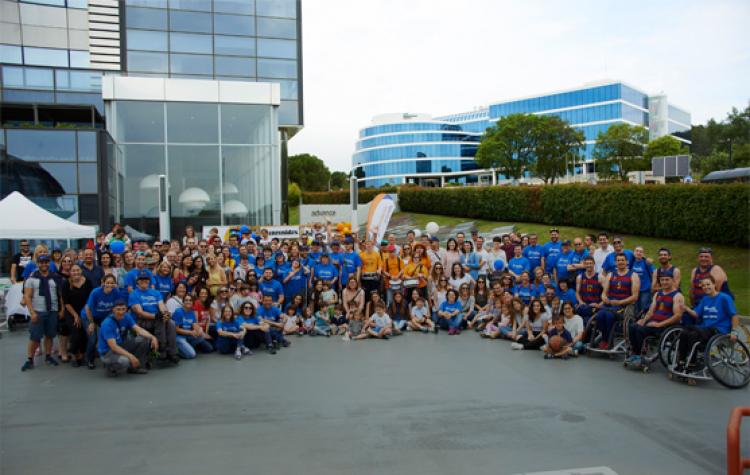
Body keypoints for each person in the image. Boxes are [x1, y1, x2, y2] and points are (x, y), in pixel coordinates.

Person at [678, 275, 740, 372]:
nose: (706, 287)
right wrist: (686, 308)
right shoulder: (705, 299)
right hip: (705, 329)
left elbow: (734, 316)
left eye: (708, 284)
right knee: (684, 333)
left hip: (719, 330)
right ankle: (682, 361)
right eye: (703, 286)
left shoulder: (724, 298)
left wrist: (734, 332)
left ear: (714, 284)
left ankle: (692, 362)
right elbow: (696, 314)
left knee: (692, 332)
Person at [625, 270, 684, 364]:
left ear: (672, 280)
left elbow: (678, 316)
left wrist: (659, 324)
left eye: (667, 280)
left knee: (640, 330)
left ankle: (641, 354)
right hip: (652, 323)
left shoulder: (677, 296)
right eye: (662, 280)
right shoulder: (658, 294)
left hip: (665, 326)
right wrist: (643, 320)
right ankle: (635, 353)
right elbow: (651, 311)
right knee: (633, 326)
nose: (664, 282)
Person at [21, 254, 62, 372]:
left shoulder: (55, 277)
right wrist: (32, 312)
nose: (44, 264)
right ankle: (30, 359)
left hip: (52, 310)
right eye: (41, 262)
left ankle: (48, 356)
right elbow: (27, 297)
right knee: (34, 337)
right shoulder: (31, 278)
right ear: (38, 263)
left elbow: (60, 295)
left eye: (46, 262)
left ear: (49, 263)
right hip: (38, 311)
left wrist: (62, 309)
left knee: (50, 335)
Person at [98, 299, 159, 376]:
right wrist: (131, 356)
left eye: (123, 309)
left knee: (144, 339)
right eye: (118, 309)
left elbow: (138, 329)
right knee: (125, 361)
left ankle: (135, 367)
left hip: (121, 345)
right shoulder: (107, 324)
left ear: (126, 309)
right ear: (113, 310)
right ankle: (111, 368)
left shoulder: (126, 316)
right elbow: (113, 347)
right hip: (108, 352)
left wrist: (153, 337)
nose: (121, 312)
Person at [128, 271, 179, 363]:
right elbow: (140, 312)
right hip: (142, 321)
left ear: (149, 281)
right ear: (137, 281)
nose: (144, 281)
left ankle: (172, 352)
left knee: (171, 323)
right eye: (141, 279)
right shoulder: (134, 294)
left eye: (146, 279)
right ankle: (162, 351)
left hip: (156, 319)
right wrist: (156, 316)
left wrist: (165, 314)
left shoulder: (155, 292)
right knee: (160, 321)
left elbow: (161, 306)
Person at [593, 254, 640, 350]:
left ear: (627, 262)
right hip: (610, 304)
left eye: (622, 260)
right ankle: (605, 339)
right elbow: (604, 293)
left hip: (623, 306)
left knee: (609, 316)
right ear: (615, 262)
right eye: (618, 260)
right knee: (599, 315)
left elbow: (635, 297)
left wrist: (620, 302)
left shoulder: (633, 275)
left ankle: (609, 342)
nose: (620, 262)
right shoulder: (611, 274)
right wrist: (604, 298)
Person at [61, 264, 93, 366]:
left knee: (85, 333)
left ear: (81, 271)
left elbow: (90, 299)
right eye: (73, 271)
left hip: (85, 311)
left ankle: (82, 355)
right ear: (70, 272)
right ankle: (75, 355)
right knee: (76, 333)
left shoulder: (87, 282)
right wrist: (75, 315)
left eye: (77, 270)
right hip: (71, 312)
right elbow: (66, 303)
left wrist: (86, 314)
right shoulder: (66, 284)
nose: (76, 272)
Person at [172, 294, 213, 359]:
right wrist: (191, 332)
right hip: (179, 337)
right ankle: (175, 351)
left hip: (188, 336)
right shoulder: (178, 312)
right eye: (186, 300)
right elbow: (176, 329)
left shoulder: (191, 312)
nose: (188, 302)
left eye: (190, 300)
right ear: (183, 302)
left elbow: (194, 325)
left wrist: (199, 330)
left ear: (192, 302)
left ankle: (187, 347)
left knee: (201, 335)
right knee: (192, 355)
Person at [575, 256, 603, 324]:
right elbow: (577, 293)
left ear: (594, 264)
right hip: (584, 305)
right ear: (584, 265)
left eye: (590, 263)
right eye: (587, 263)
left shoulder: (600, 277)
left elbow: (607, 293)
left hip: (595, 305)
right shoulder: (580, 277)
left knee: (586, 320)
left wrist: (600, 304)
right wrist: (580, 301)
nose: (589, 265)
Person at [631, 246, 655, 314]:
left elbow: (653, 274)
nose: (638, 253)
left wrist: (653, 286)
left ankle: (644, 321)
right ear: (634, 252)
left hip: (645, 289)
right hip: (635, 290)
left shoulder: (647, 262)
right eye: (637, 251)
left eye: (640, 251)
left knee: (644, 307)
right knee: (635, 307)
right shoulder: (632, 262)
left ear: (643, 254)